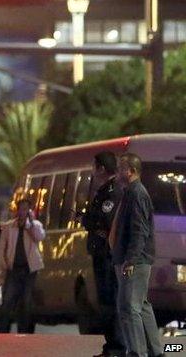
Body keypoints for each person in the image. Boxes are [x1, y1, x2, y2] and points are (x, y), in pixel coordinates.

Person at [111, 153, 163, 357]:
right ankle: (156, 351)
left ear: (131, 171)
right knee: (141, 305)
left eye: (121, 168)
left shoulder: (137, 194)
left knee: (128, 307)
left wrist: (130, 260)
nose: (118, 172)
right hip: (133, 258)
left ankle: (136, 352)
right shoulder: (131, 192)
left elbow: (139, 230)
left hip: (134, 260)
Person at [81, 151, 124, 357]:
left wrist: (89, 220)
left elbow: (105, 220)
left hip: (107, 254)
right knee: (105, 301)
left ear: (100, 168)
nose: (92, 170)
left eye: (94, 166)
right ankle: (111, 346)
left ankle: (116, 347)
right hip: (101, 252)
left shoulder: (112, 191)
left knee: (110, 301)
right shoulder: (103, 190)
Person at [0, 198, 45, 334]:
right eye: (20, 209)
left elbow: (39, 237)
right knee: (8, 299)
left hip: (30, 269)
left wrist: (29, 225)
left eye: (25, 209)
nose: (22, 212)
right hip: (13, 268)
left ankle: (25, 331)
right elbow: (2, 246)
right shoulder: (9, 226)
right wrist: (3, 262)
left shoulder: (35, 225)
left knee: (26, 300)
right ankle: (1, 330)